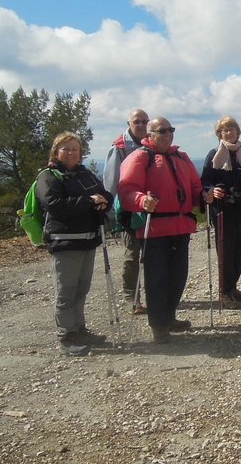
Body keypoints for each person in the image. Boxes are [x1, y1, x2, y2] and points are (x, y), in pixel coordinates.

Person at [118, 117, 212, 344]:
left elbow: (194, 186)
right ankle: (159, 325)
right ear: (149, 135)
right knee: (157, 279)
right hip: (154, 229)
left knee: (178, 277)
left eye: (171, 129)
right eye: (163, 130)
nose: (169, 133)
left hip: (180, 226)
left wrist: (203, 196)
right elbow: (127, 190)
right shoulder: (140, 157)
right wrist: (141, 201)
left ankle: (168, 318)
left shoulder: (182, 157)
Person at [37, 132, 114, 356]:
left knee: (81, 290)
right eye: (65, 149)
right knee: (66, 292)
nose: (71, 153)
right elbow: (55, 206)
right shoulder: (48, 177)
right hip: (65, 243)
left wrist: (103, 202)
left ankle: (79, 330)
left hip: (87, 241)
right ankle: (66, 337)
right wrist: (89, 202)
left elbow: (105, 195)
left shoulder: (84, 174)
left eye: (75, 149)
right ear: (56, 152)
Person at [201, 115, 241, 304]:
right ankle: (224, 292)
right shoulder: (213, 154)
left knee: (240, 249)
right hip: (223, 209)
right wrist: (212, 189)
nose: (229, 132)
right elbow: (205, 180)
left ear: (237, 132)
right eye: (225, 130)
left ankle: (233, 287)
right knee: (225, 250)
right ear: (220, 134)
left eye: (232, 129)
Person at [102, 108, 149, 303]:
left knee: (152, 254)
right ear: (128, 124)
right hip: (129, 209)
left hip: (150, 206)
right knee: (132, 254)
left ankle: (155, 296)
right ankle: (132, 297)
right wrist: (106, 210)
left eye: (144, 121)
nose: (141, 125)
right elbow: (111, 182)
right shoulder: (119, 148)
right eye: (136, 121)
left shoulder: (151, 145)